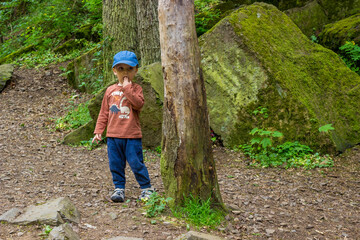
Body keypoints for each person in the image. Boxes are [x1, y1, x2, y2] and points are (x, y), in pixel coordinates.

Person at [92, 50, 154, 202]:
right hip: (113, 136)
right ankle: (119, 188)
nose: (125, 72)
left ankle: (146, 188)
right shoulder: (110, 90)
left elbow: (139, 104)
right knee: (116, 163)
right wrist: (99, 131)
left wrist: (127, 88)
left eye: (129, 69)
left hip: (131, 135)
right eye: (121, 69)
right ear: (114, 71)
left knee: (136, 162)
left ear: (136, 70)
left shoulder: (136, 89)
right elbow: (103, 113)